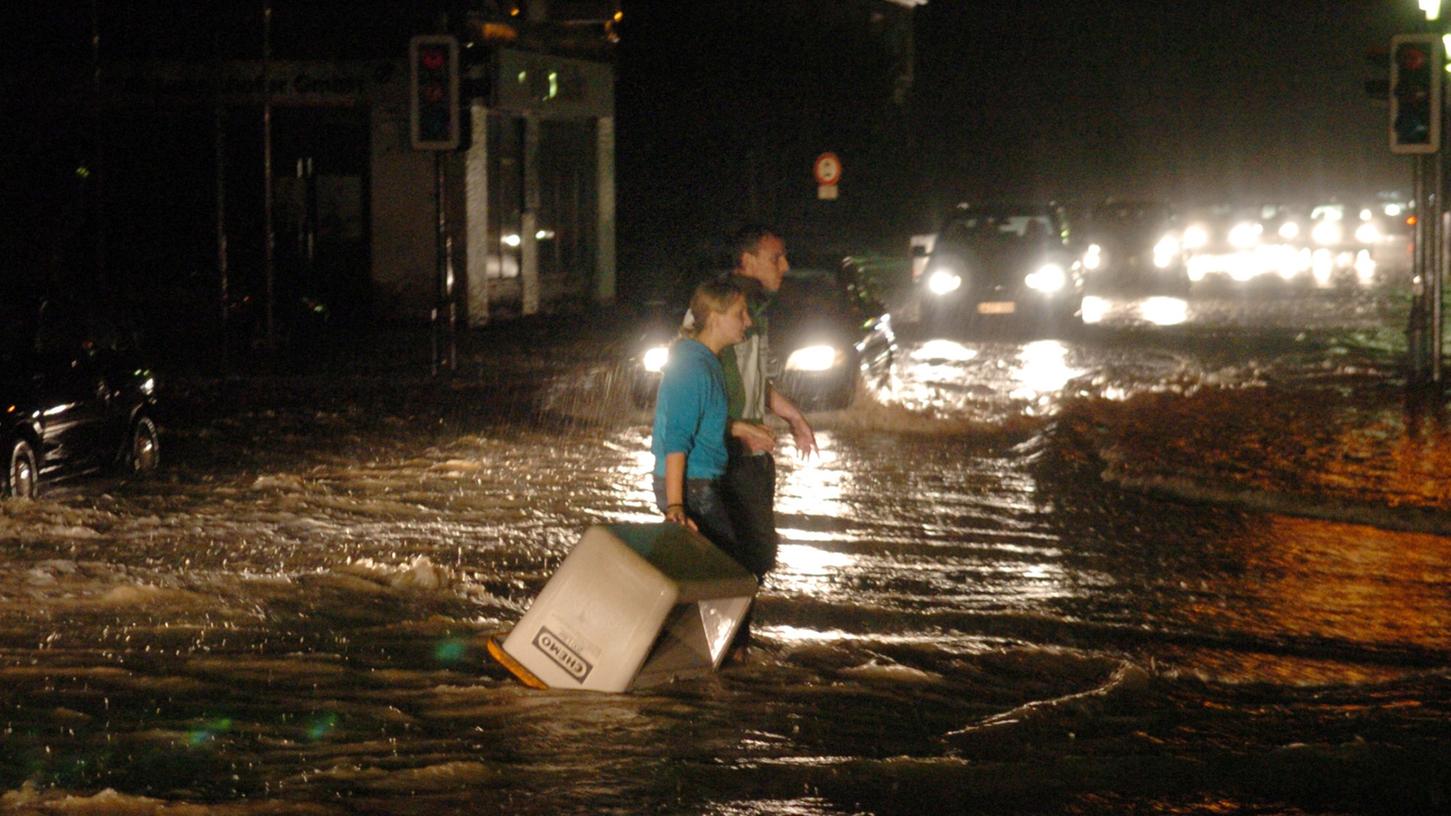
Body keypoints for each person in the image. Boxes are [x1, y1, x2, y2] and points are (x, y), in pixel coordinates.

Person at [715, 225, 818, 582]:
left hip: (750, 457)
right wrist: (736, 429)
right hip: (728, 458)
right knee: (742, 562)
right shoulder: (723, 310)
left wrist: (794, 417)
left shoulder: (754, 310)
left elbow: (753, 379)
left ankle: (738, 636)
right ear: (747, 261)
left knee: (754, 560)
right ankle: (732, 638)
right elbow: (696, 385)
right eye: (776, 258)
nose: (786, 266)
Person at [651, 277, 766, 549]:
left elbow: (699, 421)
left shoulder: (705, 360)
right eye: (740, 314)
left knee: (715, 570)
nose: (748, 322)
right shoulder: (693, 367)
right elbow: (676, 438)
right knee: (728, 568)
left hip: (698, 482)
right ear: (715, 318)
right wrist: (676, 505)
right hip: (692, 486)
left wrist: (740, 428)